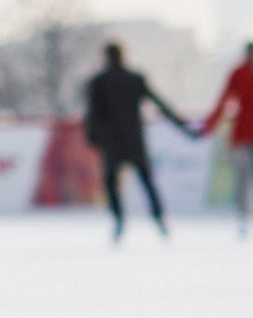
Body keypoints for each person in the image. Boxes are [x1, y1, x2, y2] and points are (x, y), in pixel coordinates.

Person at [83, 41, 190, 243]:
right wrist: (182, 126)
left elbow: (92, 114)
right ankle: (159, 219)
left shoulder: (98, 82)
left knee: (112, 184)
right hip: (134, 140)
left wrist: (93, 137)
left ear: (105, 57)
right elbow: (161, 104)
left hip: (112, 142)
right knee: (147, 182)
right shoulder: (134, 78)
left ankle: (119, 221)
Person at [198, 40, 253, 238]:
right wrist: (209, 125)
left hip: (242, 133)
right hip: (242, 134)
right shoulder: (237, 73)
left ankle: (243, 217)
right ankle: (243, 218)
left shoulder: (238, 72)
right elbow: (224, 100)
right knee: (242, 178)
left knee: (244, 177)